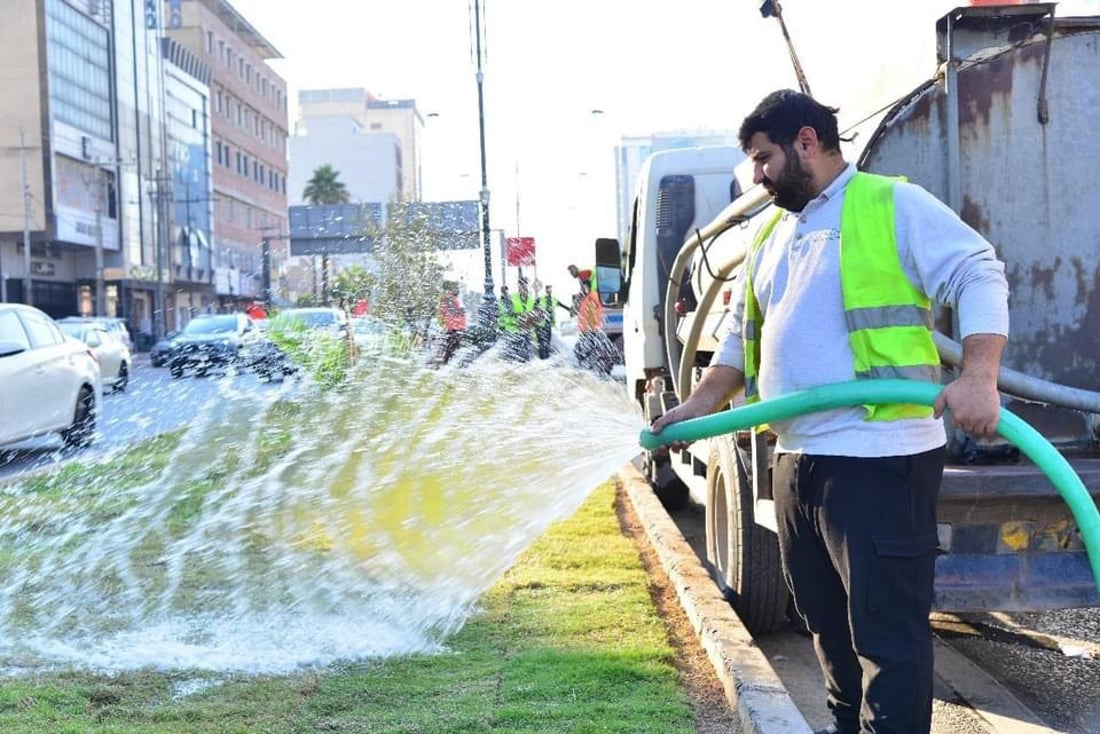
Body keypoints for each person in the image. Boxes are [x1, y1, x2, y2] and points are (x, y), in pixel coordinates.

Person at [650, 90, 1009, 734]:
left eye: (764, 158)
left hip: (880, 461)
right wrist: (700, 406)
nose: (756, 175)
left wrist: (980, 376)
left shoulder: (888, 204)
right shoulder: (769, 233)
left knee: (886, 639)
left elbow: (978, 270)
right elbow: (738, 339)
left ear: (807, 142)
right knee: (827, 631)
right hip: (799, 461)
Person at [437, 281, 467, 366]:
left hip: (453, 328)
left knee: (449, 348)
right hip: (457, 328)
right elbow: (462, 314)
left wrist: (443, 323)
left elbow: (441, 315)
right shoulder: (455, 301)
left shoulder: (445, 300)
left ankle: (445, 363)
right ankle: (447, 363)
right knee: (452, 348)